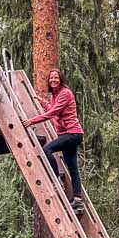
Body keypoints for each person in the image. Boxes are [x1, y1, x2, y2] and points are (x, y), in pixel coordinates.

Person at [22, 68, 85, 213]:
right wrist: (42, 101)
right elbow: (53, 108)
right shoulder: (56, 95)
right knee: (73, 168)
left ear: (61, 79)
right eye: (51, 78)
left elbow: (53, 113)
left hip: (72, 133)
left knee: (47, 150)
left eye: (56, 78)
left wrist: (32, 121)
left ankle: (57, 181)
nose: (53, 80)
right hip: (69, 134)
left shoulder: (65, 93)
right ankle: (77, 200)